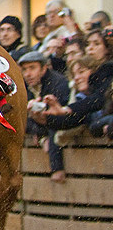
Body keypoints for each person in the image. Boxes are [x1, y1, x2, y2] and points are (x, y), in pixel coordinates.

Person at [20, 49, 70, 182]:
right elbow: (21, 119)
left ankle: (57, 169)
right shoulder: (25, 86)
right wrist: (42, 136)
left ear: (44, 69)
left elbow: (56, 118)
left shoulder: (58, 83)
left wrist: (40, 132)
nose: (28, 74)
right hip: (44, 129)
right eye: (24, 69)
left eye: (32, 68)